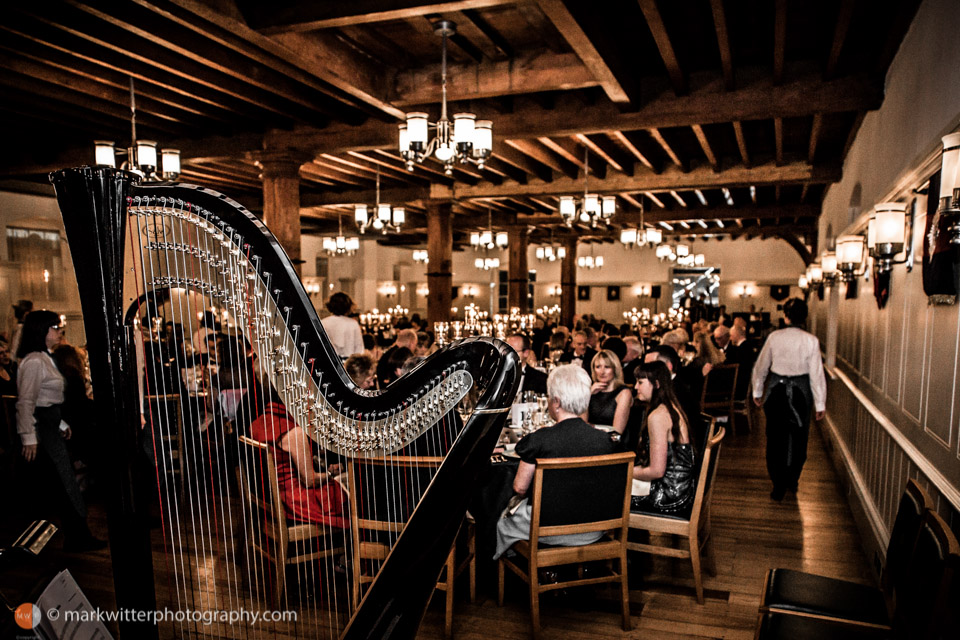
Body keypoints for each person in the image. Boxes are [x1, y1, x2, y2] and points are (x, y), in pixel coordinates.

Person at [493, 365, 617, 559]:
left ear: (556, 402)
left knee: (502, 521)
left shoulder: (540, 440)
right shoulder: (605, 439)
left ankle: (522, 569)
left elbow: (519, 488)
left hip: (549, 528)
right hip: (595, 528)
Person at [17, 310, 105, 551]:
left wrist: (61, 423)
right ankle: (74, 537)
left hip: (50, 423)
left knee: (63, 482)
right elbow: (26, 402)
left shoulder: (46, 357)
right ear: (42, 331)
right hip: (41, 430)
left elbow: (46, 400)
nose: (59, 332)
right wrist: (28, 438)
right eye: (54, 328)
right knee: (61, 483)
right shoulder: (34, 360)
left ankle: (76, 535)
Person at [752, 298, 826, 501]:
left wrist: (757, 391)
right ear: (804, 318)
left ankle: (778, 485)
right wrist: (820, 403)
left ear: (785, 316)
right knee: (800, 438)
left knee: (775, 439)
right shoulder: (811, 340)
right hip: (801, 394)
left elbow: (761, 367)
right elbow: (817, 374)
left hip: (776, 392)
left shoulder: (774, 337)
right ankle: (792, 479)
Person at [248, 391, 347, 528]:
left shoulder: (257, 423)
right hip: (294, 502)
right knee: (349, 498)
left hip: (269, 496)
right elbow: (309, 481)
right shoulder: (294, 432)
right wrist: (332, 474)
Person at [630, 361, 696, 514]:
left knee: (609, 487)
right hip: (681, 487)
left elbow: (657, 471)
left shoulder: (658, 416)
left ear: (657, 384)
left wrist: (625, 471)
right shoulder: (670, 407)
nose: (635, 387)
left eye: (640, 382)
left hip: (669, 495)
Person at [587, 349, 633, 435]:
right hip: (589, 439)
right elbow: (581, 424)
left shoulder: (624, 393)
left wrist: (592, 427)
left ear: (615, 369)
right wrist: (588, 395)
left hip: (613, 443)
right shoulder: (590, 390)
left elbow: (616, 432)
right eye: (598, 367)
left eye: (607, 367)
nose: (602, 372)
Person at [320, 292, 364, 360]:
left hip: (330, 361)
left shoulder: (323, 323)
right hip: (349, 362)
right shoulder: (353, 324)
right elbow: (359, 349)